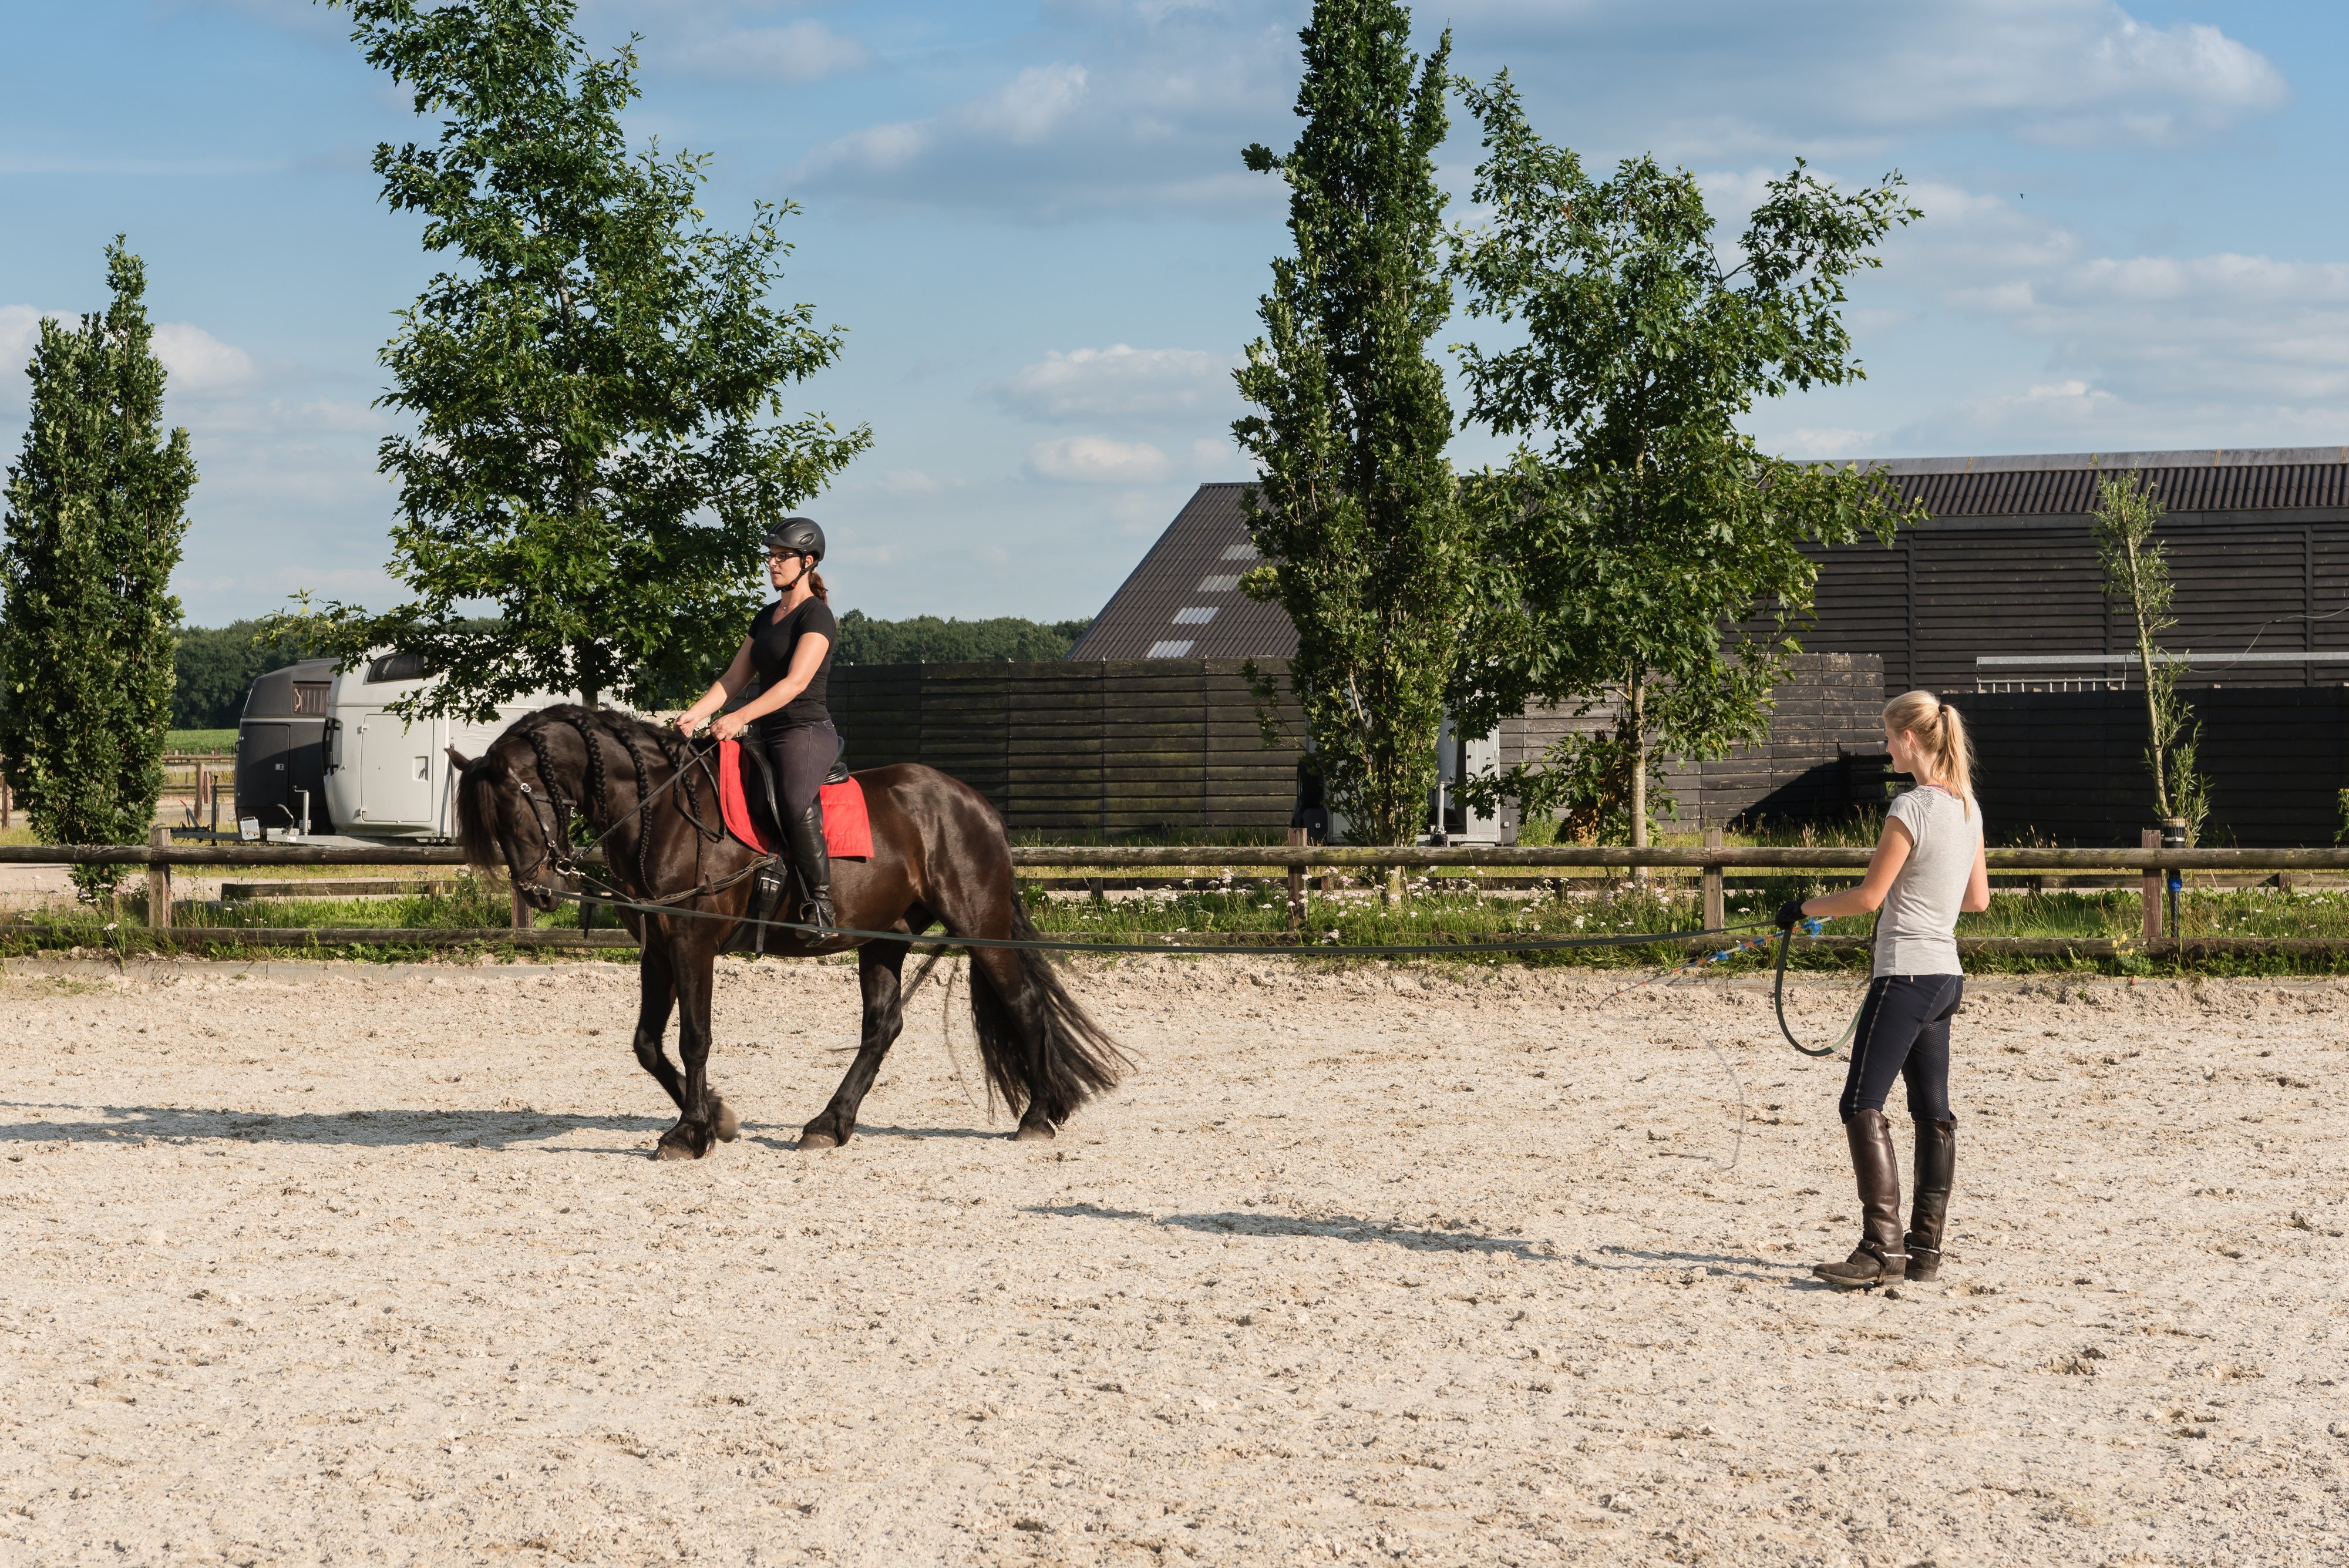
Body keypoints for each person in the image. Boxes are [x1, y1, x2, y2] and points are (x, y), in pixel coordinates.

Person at [1776, 691, 1991, 1289]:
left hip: (1905, 974)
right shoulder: (1968, 808)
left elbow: (1869, 896)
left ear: (1912, 741)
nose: (1886, 746)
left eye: (1889, 737)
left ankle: (1880, 1249)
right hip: (1945, 976)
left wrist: (1801, 907)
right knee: (1933, 1114)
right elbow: (1977, 900)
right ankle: (1923, 1250)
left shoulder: (1911, 807)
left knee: (1860, 1103)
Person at [674, 519, 839, 931]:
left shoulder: (817, 617)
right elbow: (733, 680)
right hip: (765, 732)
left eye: (782, 556)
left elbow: (795, 683)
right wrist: (697, 713)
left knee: (792, 799)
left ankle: (821, 903)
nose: (772, 563)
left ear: (808, 561)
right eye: (770, 556)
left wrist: (740, 717)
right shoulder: (766, 617)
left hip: (804, 730)